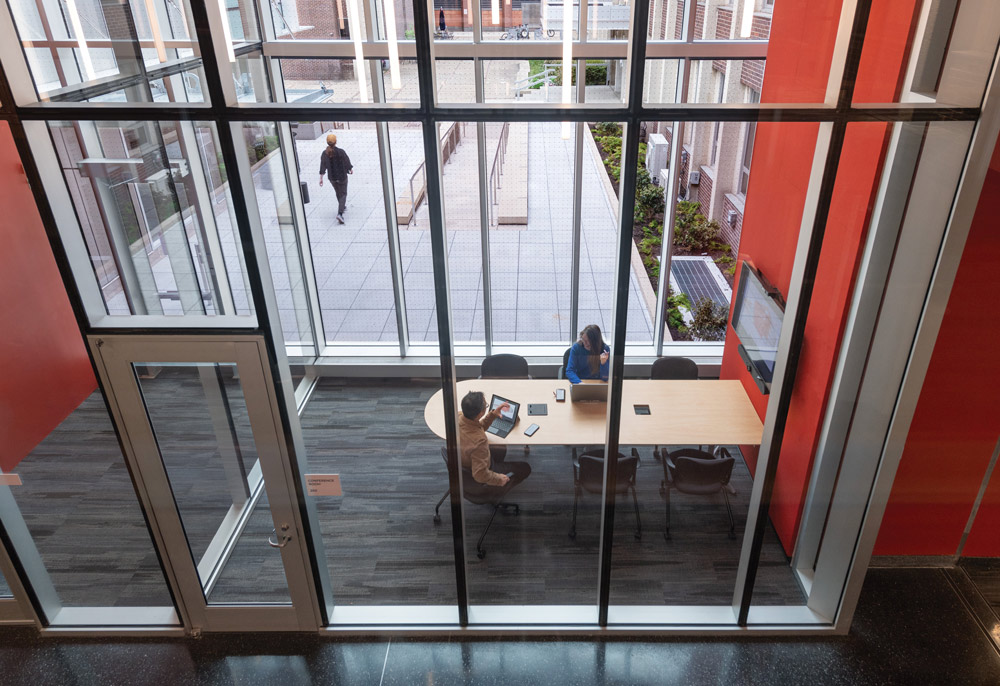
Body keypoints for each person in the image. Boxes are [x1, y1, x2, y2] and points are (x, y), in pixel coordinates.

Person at [458, 391, 531, 490]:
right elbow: (479, 475)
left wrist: (492, 415)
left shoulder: (459, 416)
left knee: (501, 447)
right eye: (486, 406)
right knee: (525, 468)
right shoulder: (479, 441)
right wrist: (498, 479)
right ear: (480, 414)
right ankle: (496, 489)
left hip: (466, 457)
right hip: (479, 469)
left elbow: (475, 428)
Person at [318, 133, 352, 224]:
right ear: (336, 142)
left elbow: (323, 166)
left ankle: (342, 206)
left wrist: (321, 177)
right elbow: (347, 161)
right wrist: (350, 169)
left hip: (332, 178)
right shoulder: (341, 152)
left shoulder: (324, 153)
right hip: (342, 177)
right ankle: (340, 213)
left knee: (338, 192)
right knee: (343, 193)